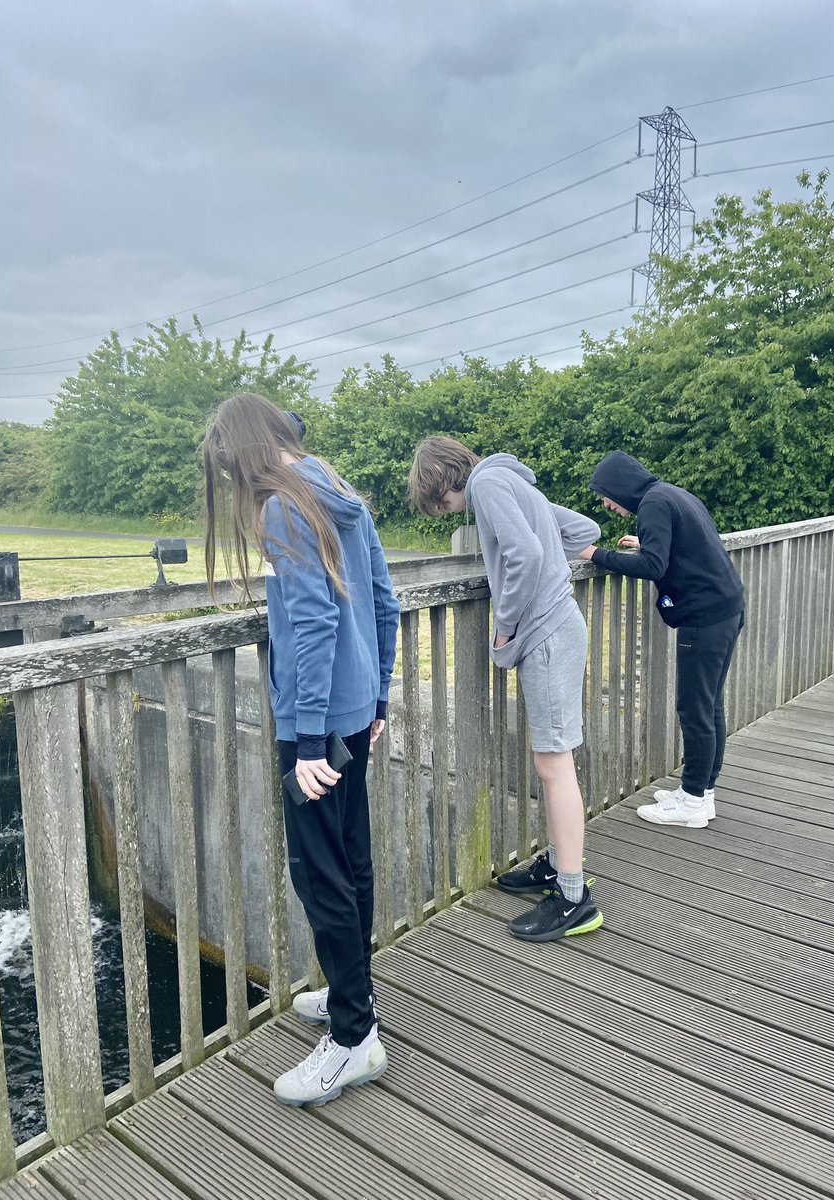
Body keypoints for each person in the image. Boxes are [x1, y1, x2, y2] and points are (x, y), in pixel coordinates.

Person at [203, 392, 400, 1106]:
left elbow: (315, 622)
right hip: (352, 716)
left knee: (319, 873)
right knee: (350, 861)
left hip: (314, 729)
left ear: (239, 452)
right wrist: (375, 698)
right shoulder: (335, 488)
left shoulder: (284, 505)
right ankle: (357, 996)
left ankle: (353, 1038)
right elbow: (384, 602)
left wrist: (309, 738)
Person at [408, 436, 603, 941]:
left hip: (543, 635)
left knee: (554, 763)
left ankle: (574, 898)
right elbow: (584, 529)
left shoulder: (488, 483)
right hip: (558, 628)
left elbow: (525, 553)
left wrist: (506, 625)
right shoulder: (511, 480)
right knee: (552, 759)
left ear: (443, 479)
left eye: (440, 502)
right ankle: (559, 866)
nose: (447, 510)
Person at [578, 451, 745, 828]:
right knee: (710, 705)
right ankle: (702, 792)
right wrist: (648, 541)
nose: (606, 503)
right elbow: (683, 546)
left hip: (704, 617)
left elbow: (653, 566)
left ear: (621, 486)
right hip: (728, 607)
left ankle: (691, 802)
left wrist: (596, 554)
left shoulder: (653, 504)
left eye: (605, 494)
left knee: (694, 708)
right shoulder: (670, 494)